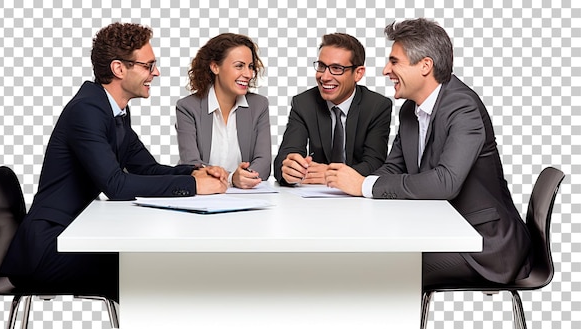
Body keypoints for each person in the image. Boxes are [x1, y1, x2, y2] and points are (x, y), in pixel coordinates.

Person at [0, 22, 228, 303]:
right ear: (120, 69)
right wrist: (193, 186)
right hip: (48, 248)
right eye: (148, 65)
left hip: (76, 234)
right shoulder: (87, 110)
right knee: (151, 266)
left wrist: (196, 171)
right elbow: (116, 186)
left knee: (157, 261)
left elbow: (146, 168)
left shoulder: (114, 111)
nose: (155, 73)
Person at [326, 18, 532, 286]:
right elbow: (393, 168)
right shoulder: (411, 110)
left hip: (484, 245)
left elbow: (446, 182)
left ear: (425, 65)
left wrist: (364, 186)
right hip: (441, 230)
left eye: (394, 61)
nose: (386, 70)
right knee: (362, 255)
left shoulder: (462, 107)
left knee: (379, 268)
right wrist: (350, 188)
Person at [273, 33, 392, 186]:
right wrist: (289, 170)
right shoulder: (303, 103)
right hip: (312, 200)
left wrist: (331, 175)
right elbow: (283, 159)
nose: (325, 77)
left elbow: (375, 164)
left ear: (358, 73)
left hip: (358, 199)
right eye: (322, 66)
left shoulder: (377, 106)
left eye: (337, 68)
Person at [175, 33, 271, 189]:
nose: (248, 74)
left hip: (246, 198)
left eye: (250, 66)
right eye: (239, 66)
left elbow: (264, 163)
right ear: (215, 67)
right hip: (202, 196)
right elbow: (191, 164)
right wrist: (232, 178)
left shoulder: (259, 105)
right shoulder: (188, 107)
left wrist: (246, 177)